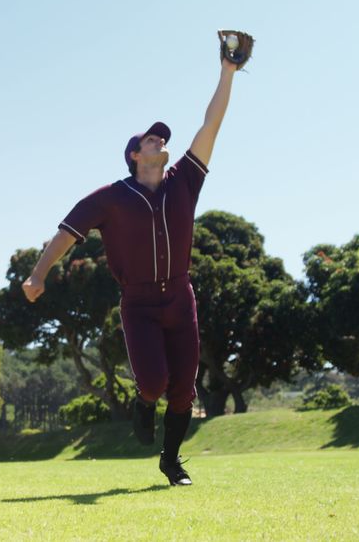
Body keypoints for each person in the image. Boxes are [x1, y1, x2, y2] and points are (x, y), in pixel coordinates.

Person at [22, 36, 242, 486]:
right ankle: (144, 404)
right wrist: (38, 274)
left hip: (181, 298)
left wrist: (227, 72)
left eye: (163, 137)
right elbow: (66, 235)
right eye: (150, 137)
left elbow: (211, 126)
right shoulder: (111, 198)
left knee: (184, 389)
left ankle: (171, 460)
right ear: (134, 155)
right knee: (154, 383)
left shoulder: (184, 181)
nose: (161, 138)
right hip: (139, 304)